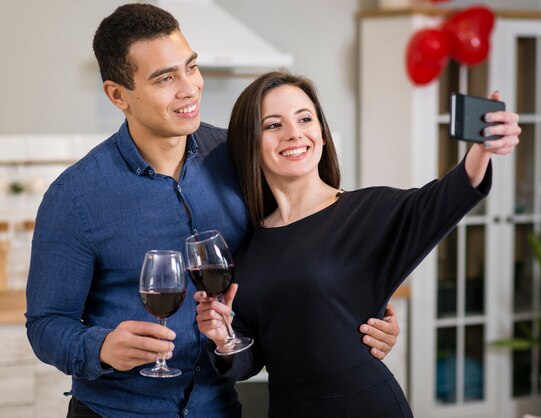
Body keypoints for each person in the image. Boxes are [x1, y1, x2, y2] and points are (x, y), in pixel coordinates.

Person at [24, 4, 400, 418]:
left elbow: (307, 238)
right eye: (165, 78)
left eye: (191, 67)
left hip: (219, 407)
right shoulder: (75, 196)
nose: (189, 88)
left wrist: (365, 315)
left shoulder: (239, 156)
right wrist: (101, 347)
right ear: (118, 95)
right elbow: (46, 323)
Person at [195, 71, 521, 417]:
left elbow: (445, 198)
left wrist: (483, 149)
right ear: (251, 142)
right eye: (273, 125)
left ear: (320, 133)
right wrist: (222, 337)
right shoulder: (248, 246)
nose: (294, 133)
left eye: (305, 119)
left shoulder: (369, 211)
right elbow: (249, 362)